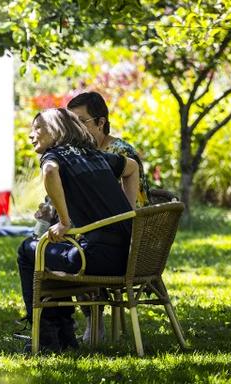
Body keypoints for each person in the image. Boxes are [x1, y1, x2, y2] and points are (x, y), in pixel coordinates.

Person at [17, 108, 139, 352]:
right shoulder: (95, 154)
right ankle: (64, 336)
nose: (31, 135)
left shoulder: (55, 156)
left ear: (55, 129)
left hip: (97, 260)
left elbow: (50, 171)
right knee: (54, 252)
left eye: (37, 127)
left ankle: (46, 336)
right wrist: (130, 212)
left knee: (28, 250)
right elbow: (133, 167)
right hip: (130, 258)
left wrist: (64, 222)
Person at [67, 91, 152, 207]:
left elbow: (136, 206)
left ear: (101, 123)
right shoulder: (79, 151)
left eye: (81, 122)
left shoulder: (122, 152)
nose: (74, 129)